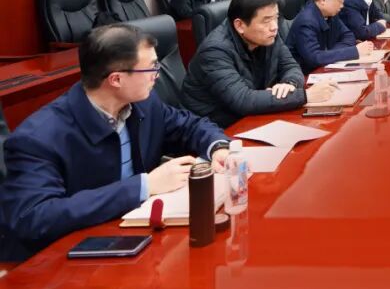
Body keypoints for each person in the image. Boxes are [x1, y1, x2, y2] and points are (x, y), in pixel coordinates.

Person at [0, 24, 230, 260]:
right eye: (151, 67)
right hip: (66, 256)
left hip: (132, 235)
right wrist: (144, 186)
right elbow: (33, 217)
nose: (157, 74)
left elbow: (189, 125)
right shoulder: (38, 137)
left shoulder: (144, 103)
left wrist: (219, 147)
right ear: (116, 79)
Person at [182, 0, 336, 128]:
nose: (274, 27)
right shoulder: (215, 51)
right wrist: (305, 96)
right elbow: (243, 100)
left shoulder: (268, 36)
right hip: (215, 129)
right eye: (266, 20)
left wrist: (289, 84)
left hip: (253, 118)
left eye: (276, 18)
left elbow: (291, 66)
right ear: (240, 25)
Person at [286, 0, 373, 74]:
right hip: (306, 75)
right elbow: (314, 58)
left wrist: (329, 54)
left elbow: (348, 36)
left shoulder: (331, 14)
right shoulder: (306, 21)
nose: (342, 6)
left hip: (325, 68)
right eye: (340, 1)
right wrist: (353, 51)